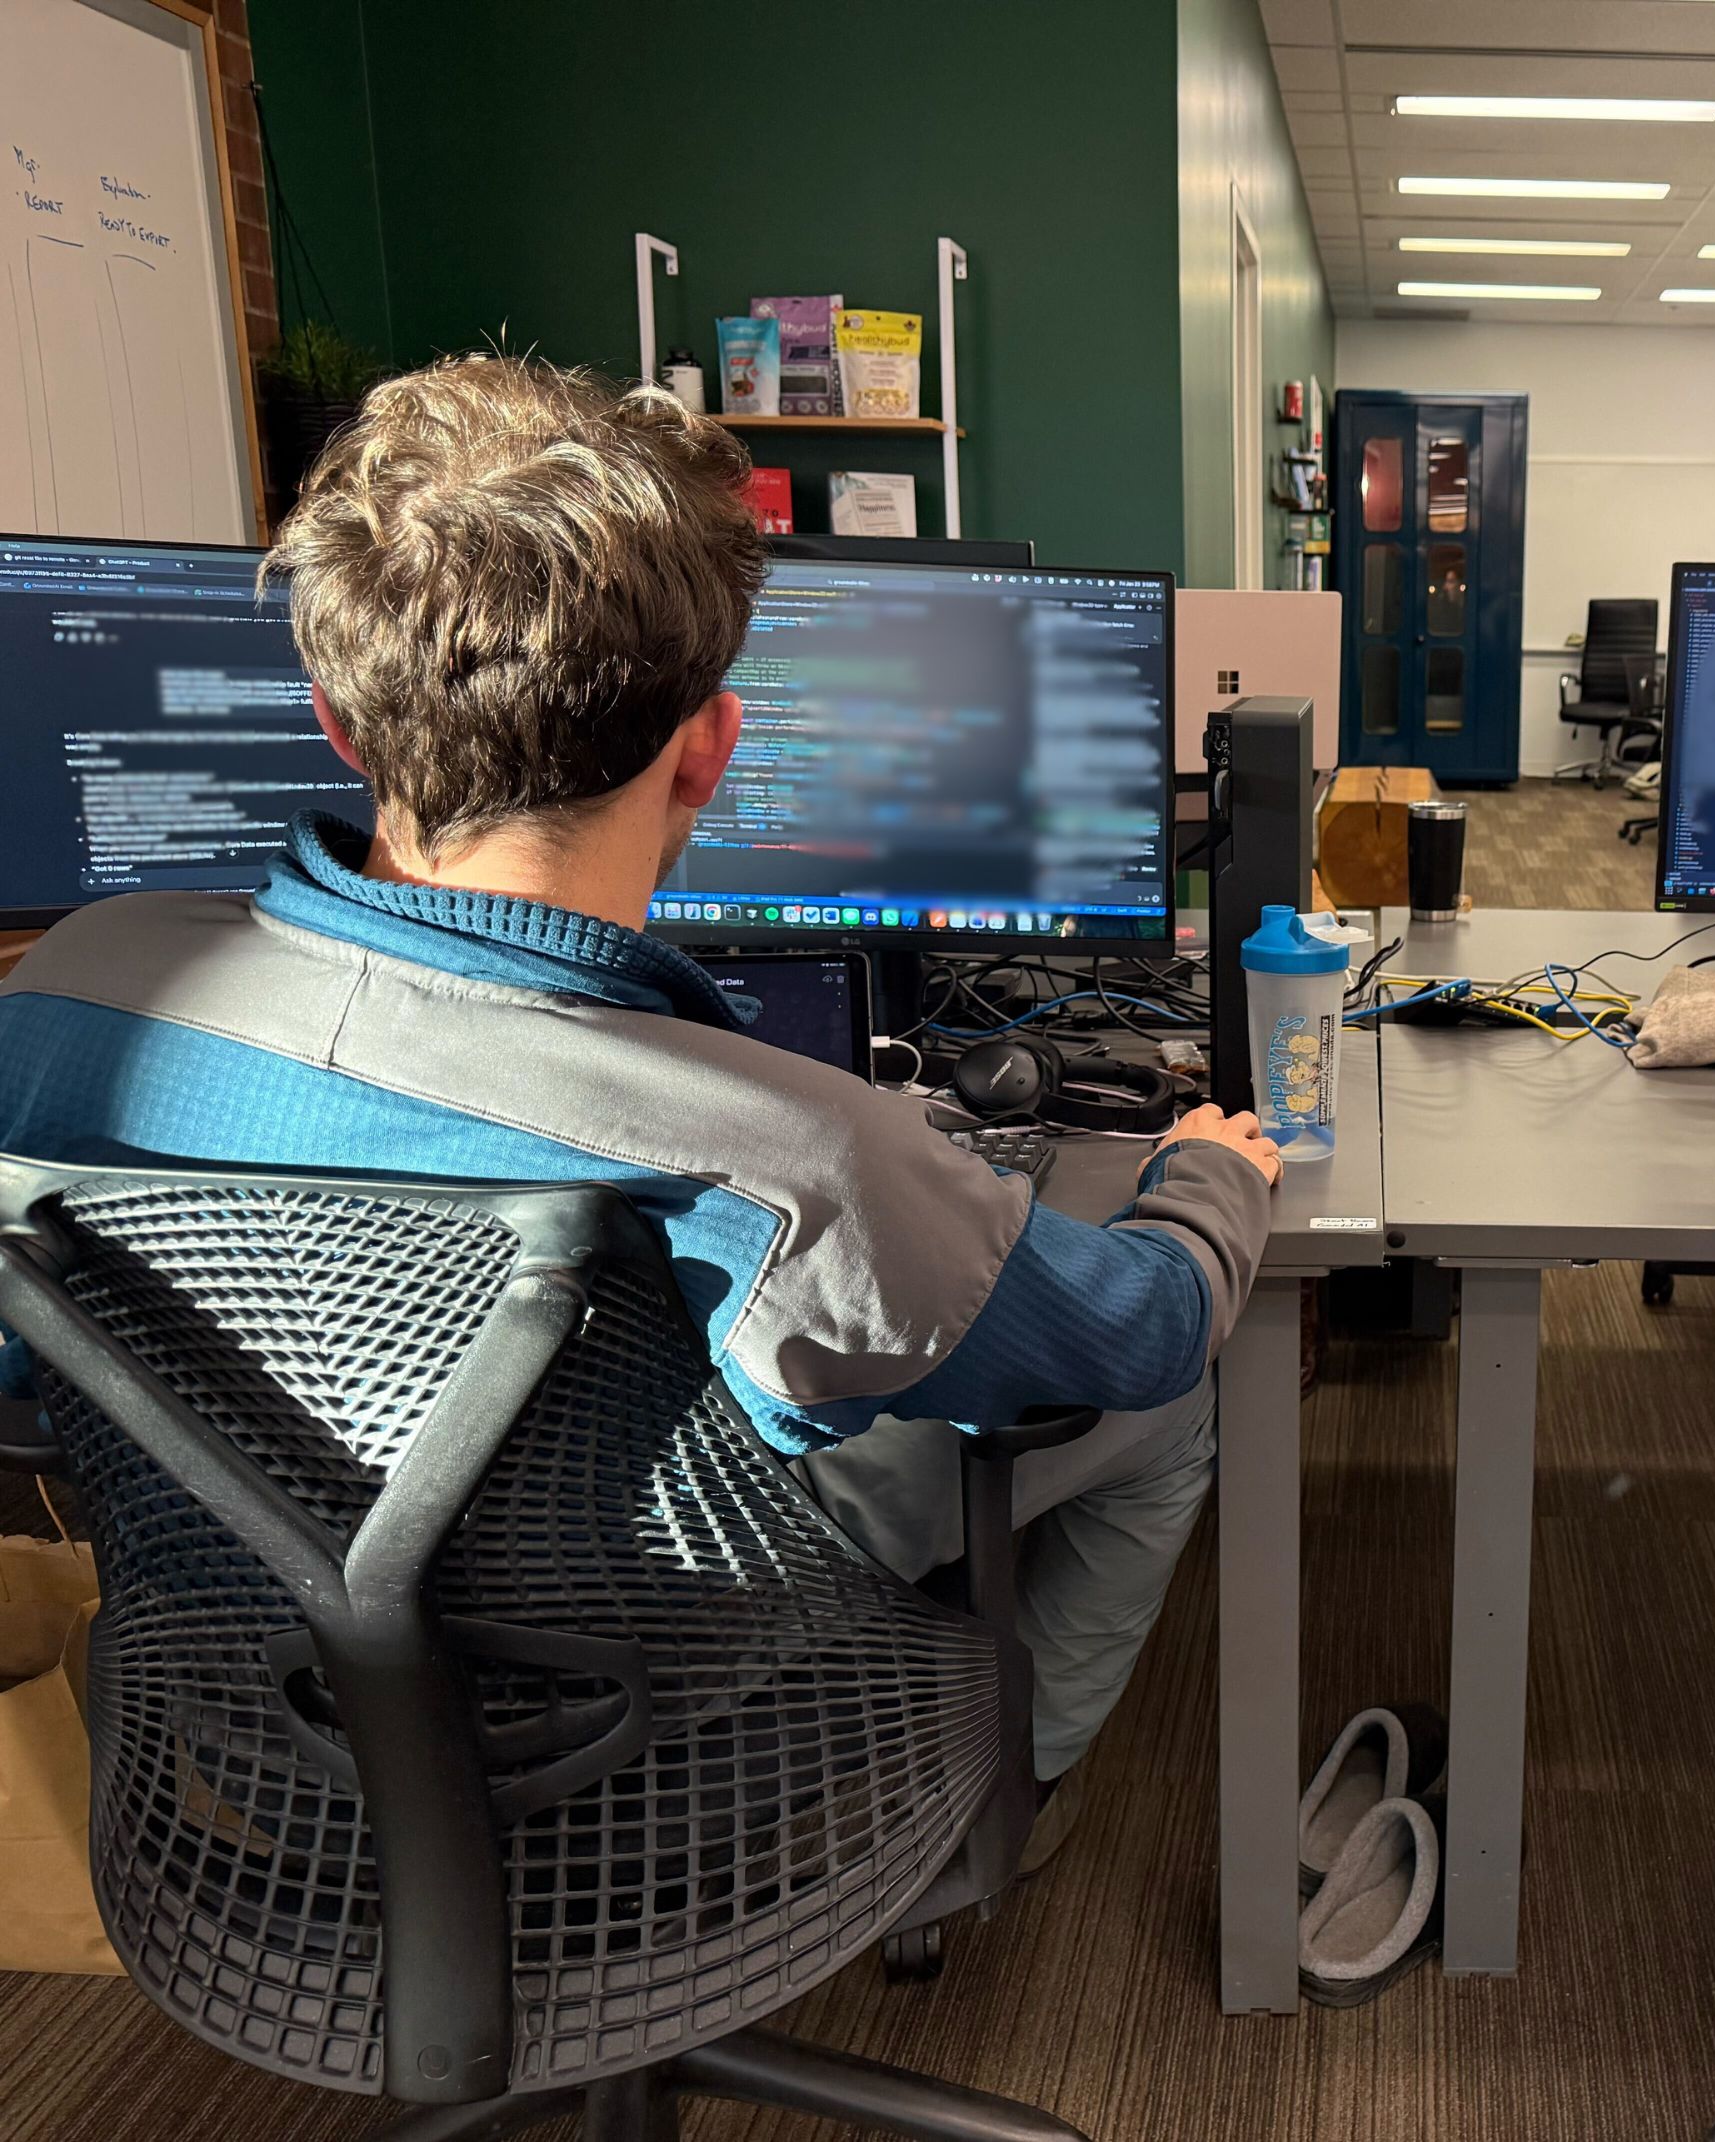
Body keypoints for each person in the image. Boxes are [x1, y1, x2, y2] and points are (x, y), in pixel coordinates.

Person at [0, 355, 1279, 1858]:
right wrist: (1207, 1175)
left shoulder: (65, 996)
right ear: (710, 747)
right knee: (1174, 1404)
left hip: (248, 1731)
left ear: (339, 722)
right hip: (649, 1726)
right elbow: (1144, 1329)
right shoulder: (786, 1150)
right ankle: (1005, 1805)